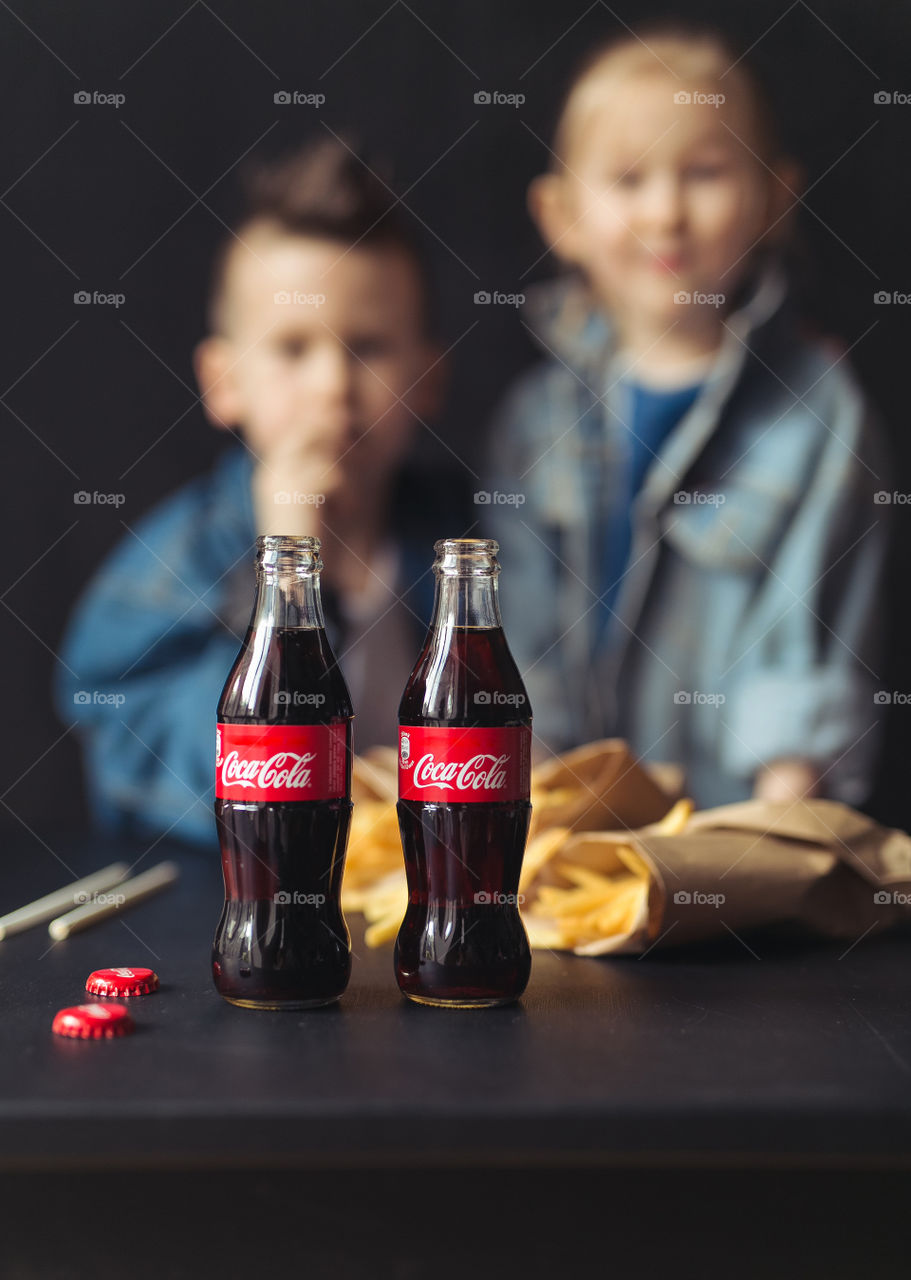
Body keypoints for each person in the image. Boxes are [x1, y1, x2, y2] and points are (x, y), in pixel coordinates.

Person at [486, 22, 890, 810]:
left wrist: (773, 834)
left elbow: (811, 629)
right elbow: (517, 634)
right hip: (560, 829)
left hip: (727, 824)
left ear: (774, 198)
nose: (665, 212)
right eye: (628, 179)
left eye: (703, 172)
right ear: (560, 214)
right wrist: (530, 806)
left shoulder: (817, 412)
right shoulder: (532, 419)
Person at [57, 139, 460, 844]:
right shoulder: (181, 558)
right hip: (256, 892)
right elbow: (129, 750)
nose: (333, 385)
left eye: (367, 347)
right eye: (292, 348)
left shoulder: (463, 533)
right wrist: (287, 573)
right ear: (223, 381)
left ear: (428, 378)